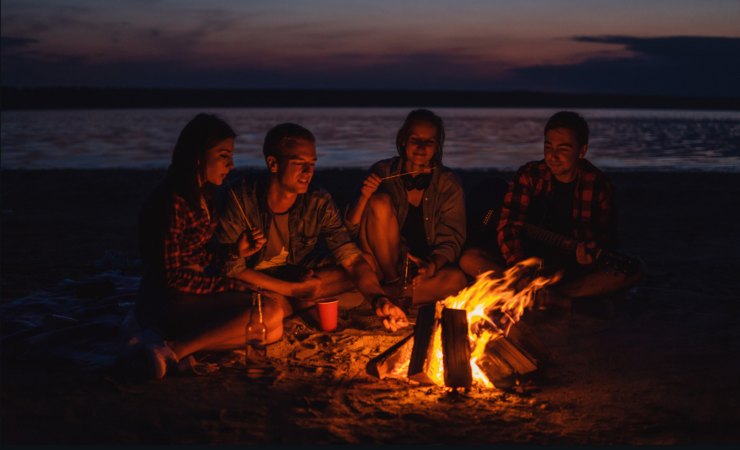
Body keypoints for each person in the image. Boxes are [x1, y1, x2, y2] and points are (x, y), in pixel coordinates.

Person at [215, 123, 409, 332]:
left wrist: (379, 299)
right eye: (299, 163)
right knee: (268, 304)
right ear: (273, 163)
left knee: (366, 263)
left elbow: (351, 258)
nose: (308, 172)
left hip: (294, 274)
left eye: (312, 163)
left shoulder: (317, 201)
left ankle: (298, 301)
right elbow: (231, 268)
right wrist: (295, 289)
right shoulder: (241, 198)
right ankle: (296, 301)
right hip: (255, 281)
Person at [135, 113, 283, 379]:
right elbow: (172, 278)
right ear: (198, 156)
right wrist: (227, 285)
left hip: (190, 292)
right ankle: (174, 349)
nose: (231, 164)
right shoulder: (172, 202)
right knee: (268, 313)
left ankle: (184, 345)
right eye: (224, 155)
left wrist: (234, 252)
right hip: (166, 300)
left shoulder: (203, 195)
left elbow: (195, 252)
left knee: (272, 328)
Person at [462, 111, 643, 304]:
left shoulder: (598, 185)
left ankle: (553, 296)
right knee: (469, 259)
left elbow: (605, 236)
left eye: (563, 149)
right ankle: (539, 294)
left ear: (581, 151)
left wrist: (589, 252)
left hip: (567, 267)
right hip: (526, 262)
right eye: (548, 147)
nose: (552, 156)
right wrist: (520, 267)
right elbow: (508, 225)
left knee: (636, 270)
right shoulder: (530, 175)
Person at [345, 109, 468, 307]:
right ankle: (394, 286)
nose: (421, 147)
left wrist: (431, 266)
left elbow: (452, 241)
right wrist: (364, 197)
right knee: (379, 201)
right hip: (383, 267)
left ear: (437, 147)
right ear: (403, 140)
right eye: (415, 139)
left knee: (457, 280)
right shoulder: (382, 172)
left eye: (429, 142)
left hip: (422, 270)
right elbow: (350, 230)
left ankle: (381, 296)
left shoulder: (448, 184)